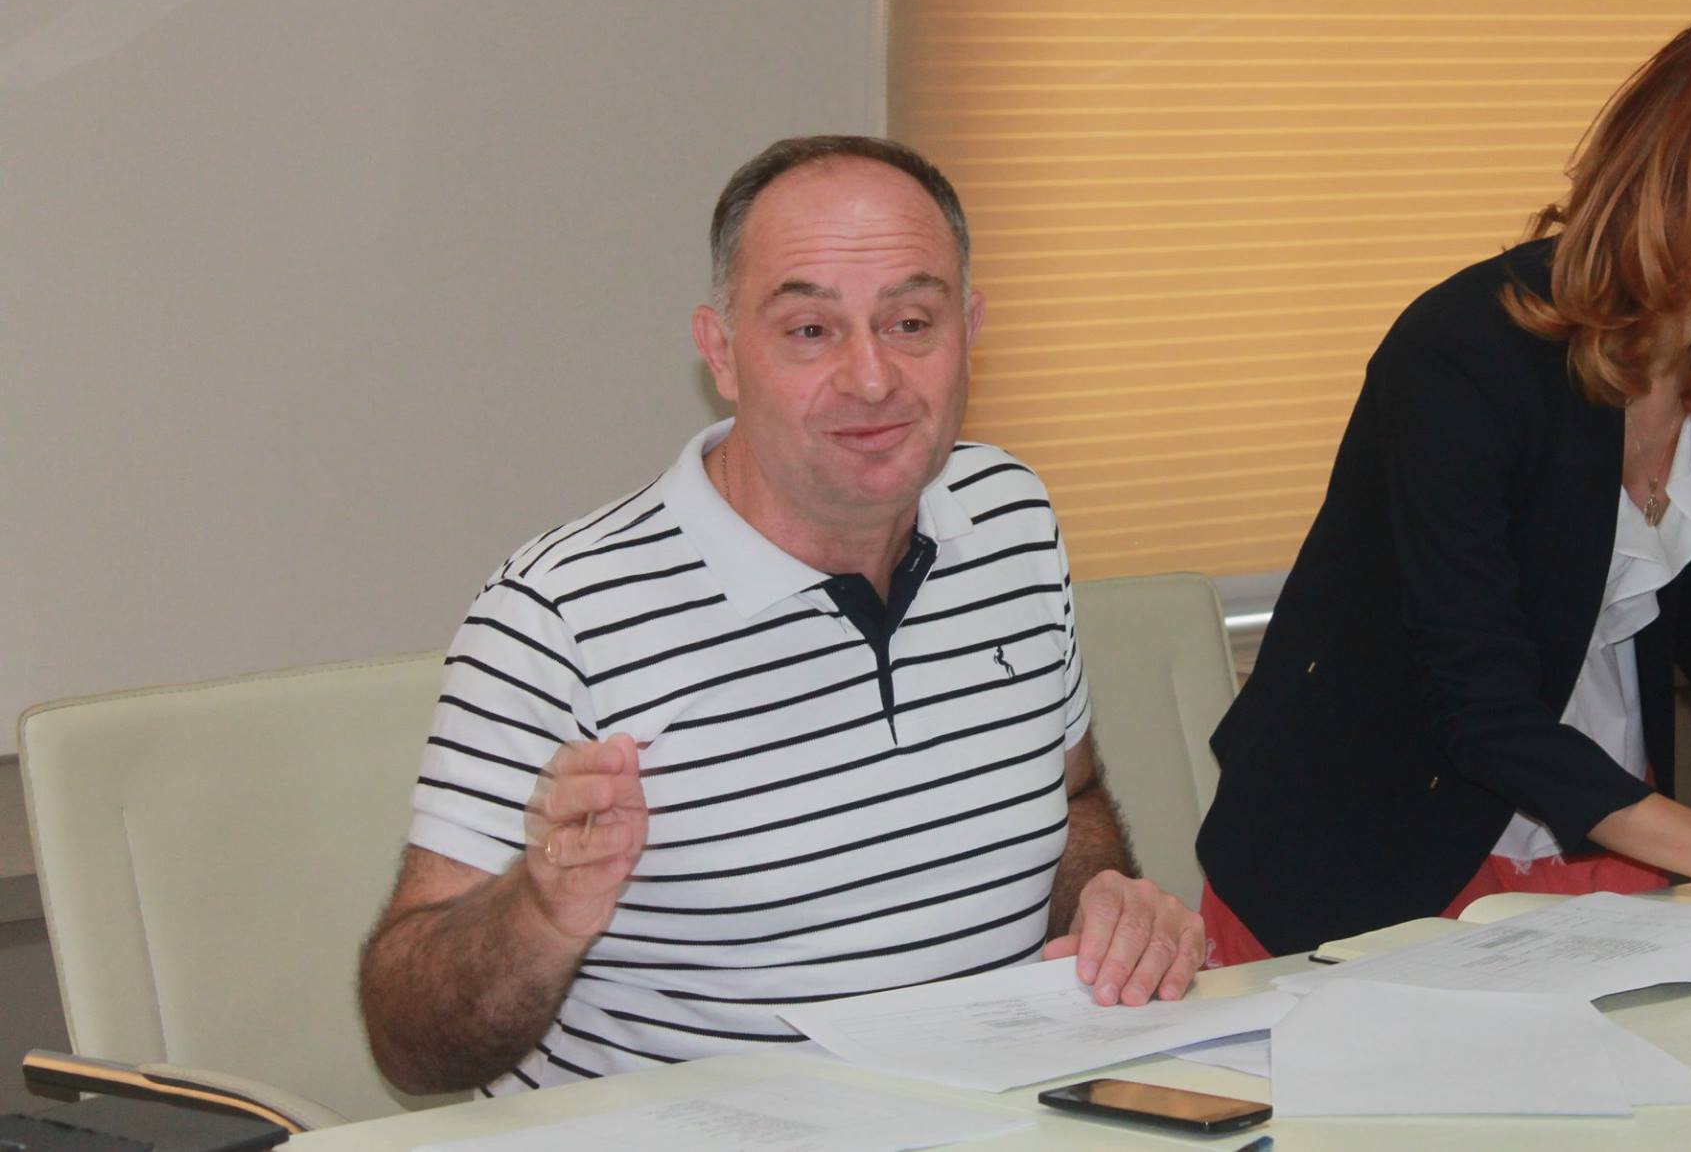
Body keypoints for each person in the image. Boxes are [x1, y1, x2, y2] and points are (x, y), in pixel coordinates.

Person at [359, 135, 1203, 1095]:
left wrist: (1102, 905)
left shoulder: (1012, 515)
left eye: (911, 322)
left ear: (969, 330)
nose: (872, 377)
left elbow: (1072, 799)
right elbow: (409, 1042)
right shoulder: (557, 612)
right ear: (722, 352)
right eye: (810, 330)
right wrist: (541, 912)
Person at [1195, 15, 1691, 963]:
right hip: (1369, 852)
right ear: (1665, 186)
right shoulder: (1462, 356)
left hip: (1598, 825)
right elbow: (1483, 707)